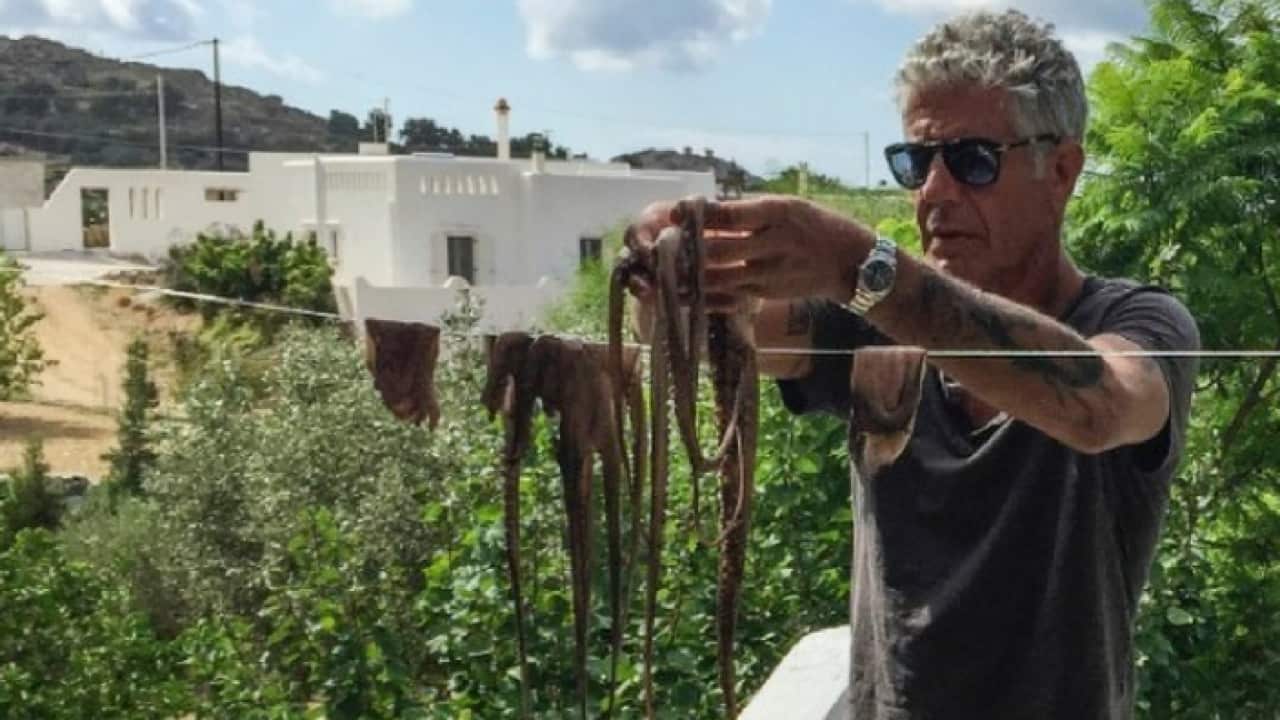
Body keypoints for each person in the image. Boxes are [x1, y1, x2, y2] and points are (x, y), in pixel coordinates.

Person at [624, 9, 1199, 720]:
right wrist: (677, 268)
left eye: (972, 160)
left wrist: (855, 265)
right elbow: (724, 333)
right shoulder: (869, 324)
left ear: (1062, 170)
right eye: (916, 162)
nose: (933, 192)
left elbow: (1102, 405)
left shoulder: (1138, 323)